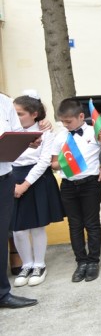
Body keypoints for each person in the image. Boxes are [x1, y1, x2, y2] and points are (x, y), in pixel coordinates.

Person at [11, 93, 64, 288]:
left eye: (20, 113)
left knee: (36, 225)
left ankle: (39, 264)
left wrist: (25, 184)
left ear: (34, 114)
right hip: (12, 178)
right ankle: (26, 264)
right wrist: (13, 184)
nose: (16, 117)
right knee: (18, 229)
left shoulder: (45, 132)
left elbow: (44, 162)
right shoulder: (8, 130)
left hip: (36, 179)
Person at [51, 99, 101, 282]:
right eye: (63, 122)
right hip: (68, 185)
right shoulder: (60, 136)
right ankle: (81, 261)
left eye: (69, 121)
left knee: (92, 222)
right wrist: (66, 163)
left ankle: (93, 261)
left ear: (81, 116)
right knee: (75, 224)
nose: (65, 125)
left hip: (90, 184)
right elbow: (53, 163)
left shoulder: (95, 132)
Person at [0, 93, 38, 309]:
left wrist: (29, 141)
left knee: (1, 236)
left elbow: (16, 135)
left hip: (4, 177)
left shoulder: (4, 102)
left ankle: (2, 294)